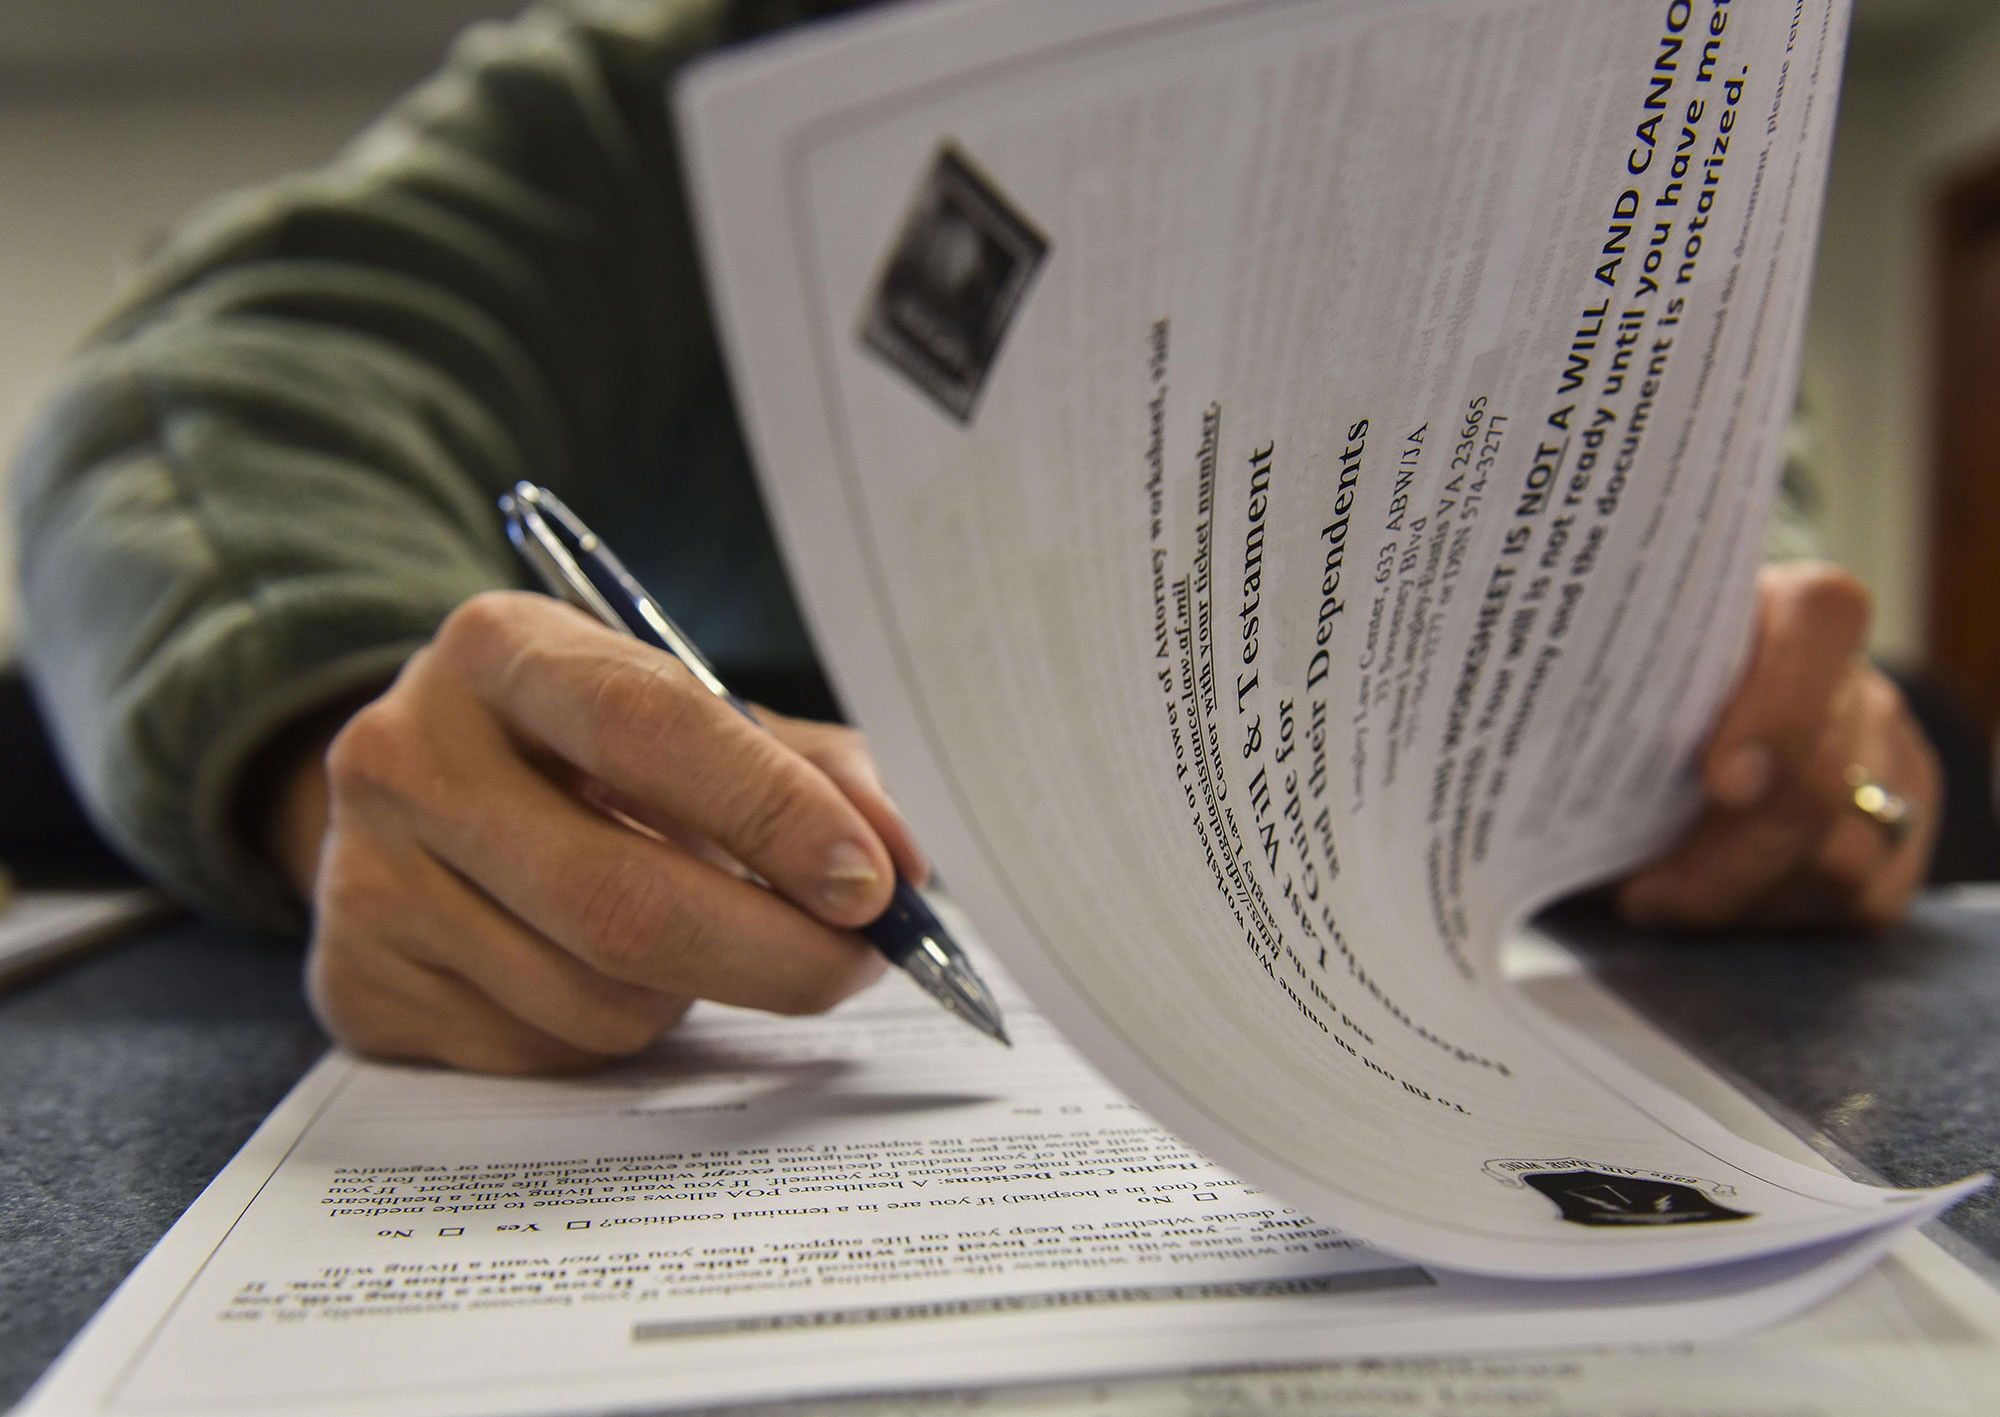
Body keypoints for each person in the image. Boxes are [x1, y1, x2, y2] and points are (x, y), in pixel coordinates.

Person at [8, 0, 1940, 1074]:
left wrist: (1785, 754)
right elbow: (202, 398)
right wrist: (327, 741)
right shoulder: (671, 98)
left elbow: (1745, 587)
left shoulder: (1589, 109)